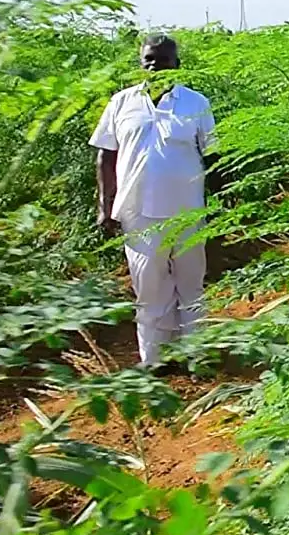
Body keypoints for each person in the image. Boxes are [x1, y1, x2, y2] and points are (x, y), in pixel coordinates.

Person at [90, 34, 217, 369]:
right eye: (149, 60)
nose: (155, 66)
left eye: (163, 61)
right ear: (140, 63)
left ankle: (196, 356)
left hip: (188, 211)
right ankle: (155, 361)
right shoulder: (121, 103)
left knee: (191, 285)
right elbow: (105, 156)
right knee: (148, 288)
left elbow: (214, 157)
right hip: (137, 212)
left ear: (177, 65)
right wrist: (105, 207)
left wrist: (217, 207)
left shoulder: (196, 104)